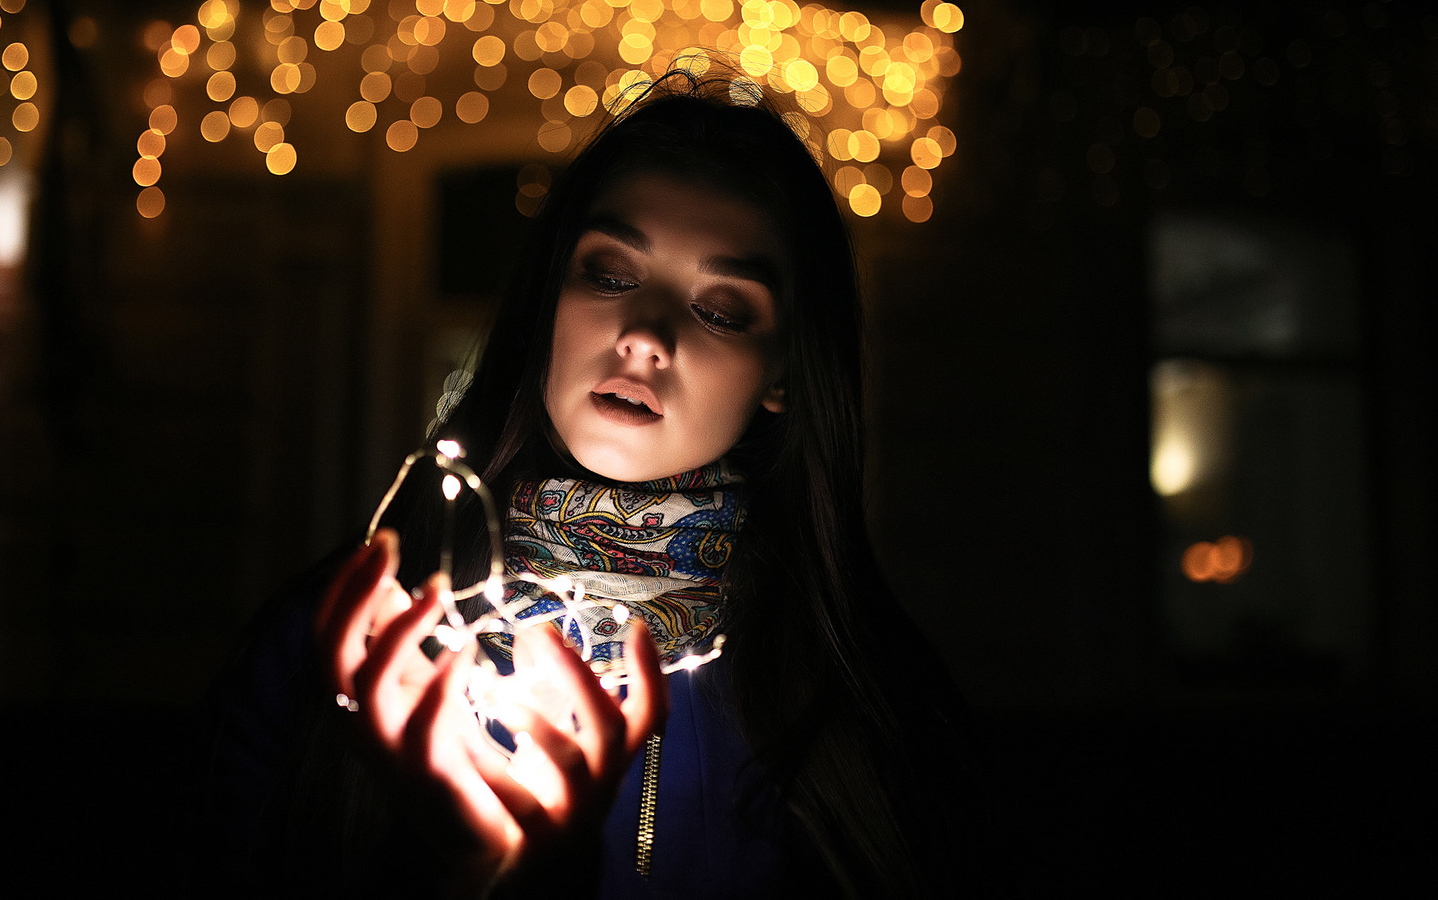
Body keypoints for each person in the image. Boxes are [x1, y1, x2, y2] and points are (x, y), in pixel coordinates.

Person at [194, 71, 986, 898]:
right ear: (548, 299)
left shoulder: (867, 704)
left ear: (783, 370)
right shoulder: (328, 653)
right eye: (610, 274)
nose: (645, 337)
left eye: (721, 308)